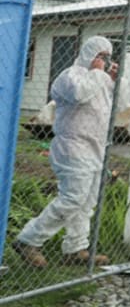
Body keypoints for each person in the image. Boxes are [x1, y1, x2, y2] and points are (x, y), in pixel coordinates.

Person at [15, 36, 118, 268]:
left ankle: (75, 248)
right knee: (72, 199)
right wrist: (99, 74)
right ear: (88, 55)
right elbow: (79, 94)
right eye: (99, 56)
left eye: (106, 57)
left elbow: (119, 107)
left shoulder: (100, 80)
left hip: (95, 148)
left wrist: (114, 80)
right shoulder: (70, 76)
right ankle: (28, 240)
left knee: (86, 203)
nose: (103, 61)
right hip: (72, 147)